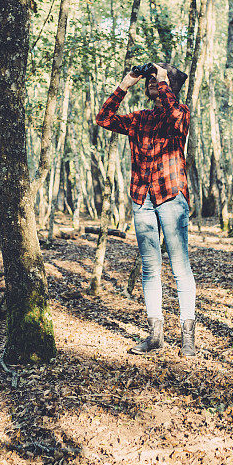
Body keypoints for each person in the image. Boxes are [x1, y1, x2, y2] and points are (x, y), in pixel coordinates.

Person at [96, 62, 197, 357]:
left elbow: (172, 113)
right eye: (151, 79)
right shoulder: (139, 119)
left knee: (180, 267)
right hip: (143, 199)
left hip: (171, 197)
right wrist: (125, 84)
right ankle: (155, 336)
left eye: (159, 78)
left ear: (170, 84)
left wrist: (163, 78)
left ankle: (188, 337)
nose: (153, 81)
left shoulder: (180, 113)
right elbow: (103, 119)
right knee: (150, 269)